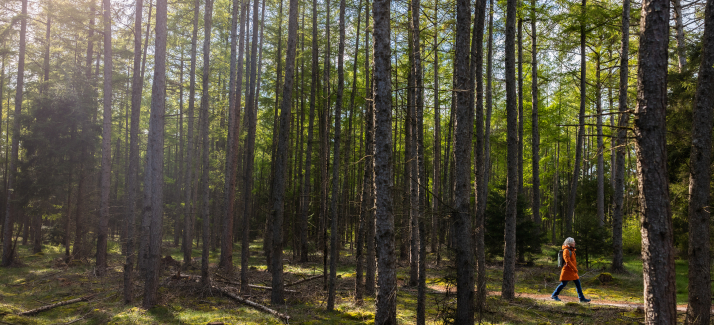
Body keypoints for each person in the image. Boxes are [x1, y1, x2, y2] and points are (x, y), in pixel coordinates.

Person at [551, 237, 591, 302]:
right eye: (573, 242)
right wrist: (574, 269)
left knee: (578, 283)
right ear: (570, 243)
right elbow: (568, 261)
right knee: (563, 284)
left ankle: (581, 298)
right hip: (567, 271)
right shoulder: (566, 250)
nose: (574, 243)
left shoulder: (571, 250)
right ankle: (554, 295)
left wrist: (574, 269)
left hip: (572, 271)